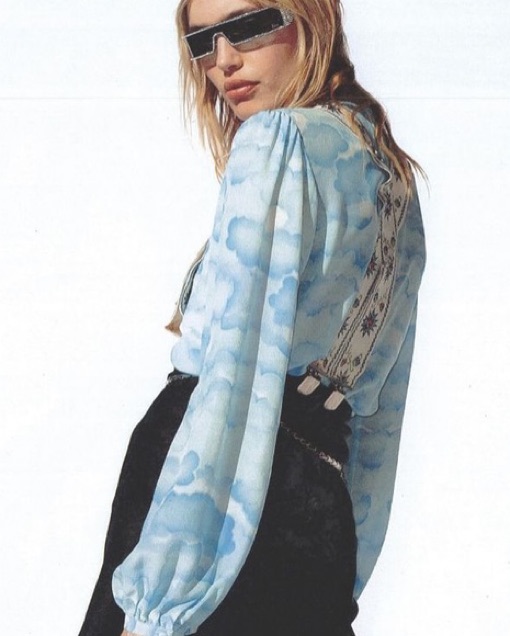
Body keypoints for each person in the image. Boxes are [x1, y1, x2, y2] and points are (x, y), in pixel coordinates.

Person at [79, 1, 426, 635]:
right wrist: (344, 574)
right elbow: (380, 420)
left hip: (213, 498)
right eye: (202, 42)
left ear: (312, 17)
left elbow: (233, 381)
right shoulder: (391, 175)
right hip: (317, 509)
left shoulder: (276, 140)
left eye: (247, 26)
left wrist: (157, 603)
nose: (224, 61)